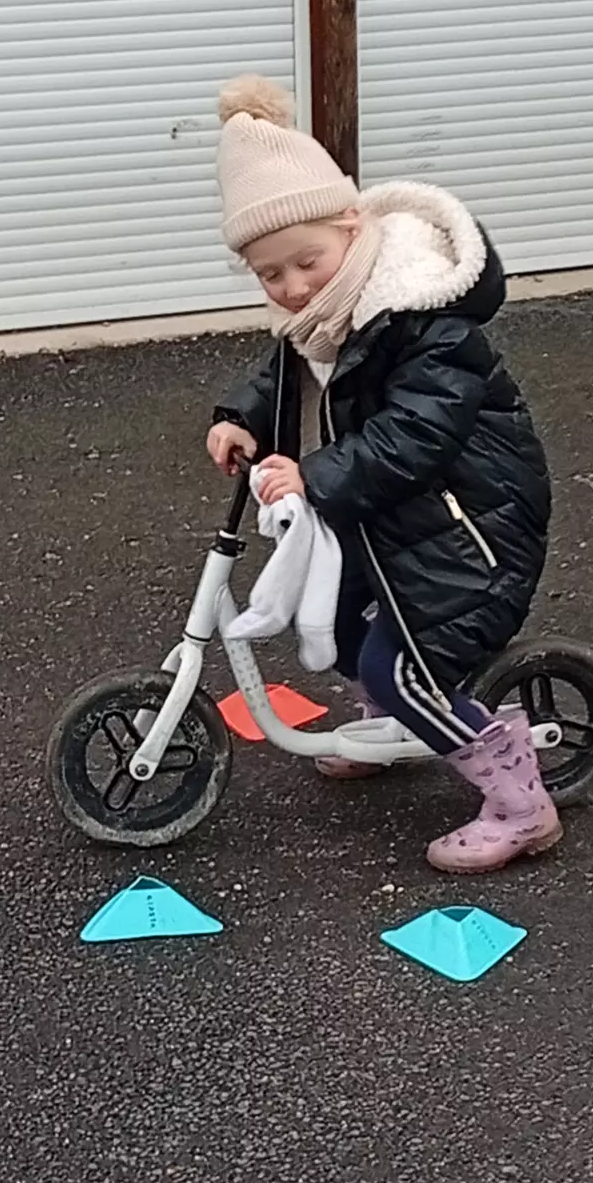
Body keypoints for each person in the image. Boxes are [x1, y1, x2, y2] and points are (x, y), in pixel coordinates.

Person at [206, 75, 556, 874]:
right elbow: (286, 370)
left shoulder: (428, 324)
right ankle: (399, 730)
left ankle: (518, 803)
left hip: (471, 534)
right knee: (351, 621)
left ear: (354, 228)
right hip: (399, 519)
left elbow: (417, 435)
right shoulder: (327, 314)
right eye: (271, 275)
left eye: (307, 262)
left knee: (395, 665)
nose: (293, 287)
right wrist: (240, 417)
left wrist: (316, 474)